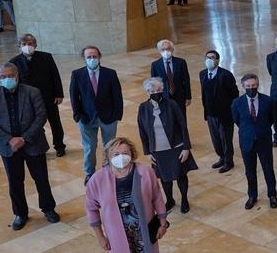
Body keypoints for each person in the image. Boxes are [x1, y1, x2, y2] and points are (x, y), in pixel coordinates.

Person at [86, 137, 169, 253]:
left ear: (132, 153)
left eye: (125, 153)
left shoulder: (145, 173)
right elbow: (91, 209)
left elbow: (157, 198)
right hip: (117, 234)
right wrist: (100, 236)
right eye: (116, 154)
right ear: (108, 157)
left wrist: (163, 222)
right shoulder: (98, 179)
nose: (121, 157)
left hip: (144, 231)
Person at [0, 63, 59, 230]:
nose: (7, 79)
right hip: (9, 147)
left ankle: (48, 208)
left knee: (41, 179)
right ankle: (20, 213)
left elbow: (40, 116)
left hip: (33, 143)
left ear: (17, 76)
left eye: (10, 75)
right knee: (15, 182)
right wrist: (10, 140)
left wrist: (24, 138)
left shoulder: (32, 92)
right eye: (3, 77)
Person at [137, 78, 198, 214]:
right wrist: (148, 152)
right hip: (158, 149)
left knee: (181, 175)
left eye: (158, 90)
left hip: (176, 147)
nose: (155, 92)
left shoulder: (172, 104)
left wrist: (186, 147)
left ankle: (184, 200)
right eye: (152, 91)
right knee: (165, 177)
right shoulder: (143, 108)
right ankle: (170, 199)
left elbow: (183, 126)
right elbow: (142, 131)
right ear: (147, 92)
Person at [69, 46, 124, 183]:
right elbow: (74, 97)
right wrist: (78, 116)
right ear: (84, 58)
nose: (92, 59)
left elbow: (117, 95)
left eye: (94, 56)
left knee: (110, 146)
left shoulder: (110, 73)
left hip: (108, 117)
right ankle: (89, 173)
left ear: (99, 56)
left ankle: (108, 170)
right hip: (86, 118)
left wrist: (117, 114)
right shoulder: (77, 74)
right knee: (89, 147)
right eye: (89, 57)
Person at [10, 34, 66, 157]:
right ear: (19, 46)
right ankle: (39, 147)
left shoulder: (46, 57)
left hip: (48, 97)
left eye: (30, 44)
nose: (27, 46)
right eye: (24, 44)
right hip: (29, 100)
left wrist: (59, 94)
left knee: (55, 123)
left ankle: (59, 145)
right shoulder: (14, 62)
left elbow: (55, 76)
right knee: (34, 125)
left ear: (35, 45)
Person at [232, 73, 277, 210]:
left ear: (257, 85)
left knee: (268, 168)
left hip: (263, 139)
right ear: (243, 87)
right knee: (250, 171)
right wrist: (249, 131)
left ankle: (272, 194)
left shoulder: (268, 101)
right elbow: (237, 120)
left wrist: (260, 130)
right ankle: (252, 195)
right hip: (246, 141)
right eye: (248, 86)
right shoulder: (237, 103)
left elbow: (271, 119)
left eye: (253, 86)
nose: (251, 88)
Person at [199, 50, 238, 172]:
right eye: (208, 57)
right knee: (216, 139)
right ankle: (221, 157)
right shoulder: (203, 74)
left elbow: (235, 95)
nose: (210, 59)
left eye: (212, 57)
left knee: (226, 139)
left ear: (217, 60)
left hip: (224, 114)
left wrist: (232, 112)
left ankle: (228, 161)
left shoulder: (226, 75)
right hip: (210, 114)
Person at [150, 39, 191, 112]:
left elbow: (186, 80)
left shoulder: (181, 62)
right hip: (164, 98)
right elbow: (154, 84)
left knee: (181, 119)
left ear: (172, 49)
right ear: (159, 51)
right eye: (163, 49)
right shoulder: (155, 65)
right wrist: (155, 99)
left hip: (179, 97)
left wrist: (188, 97)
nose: (166, 51)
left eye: (168, 49)